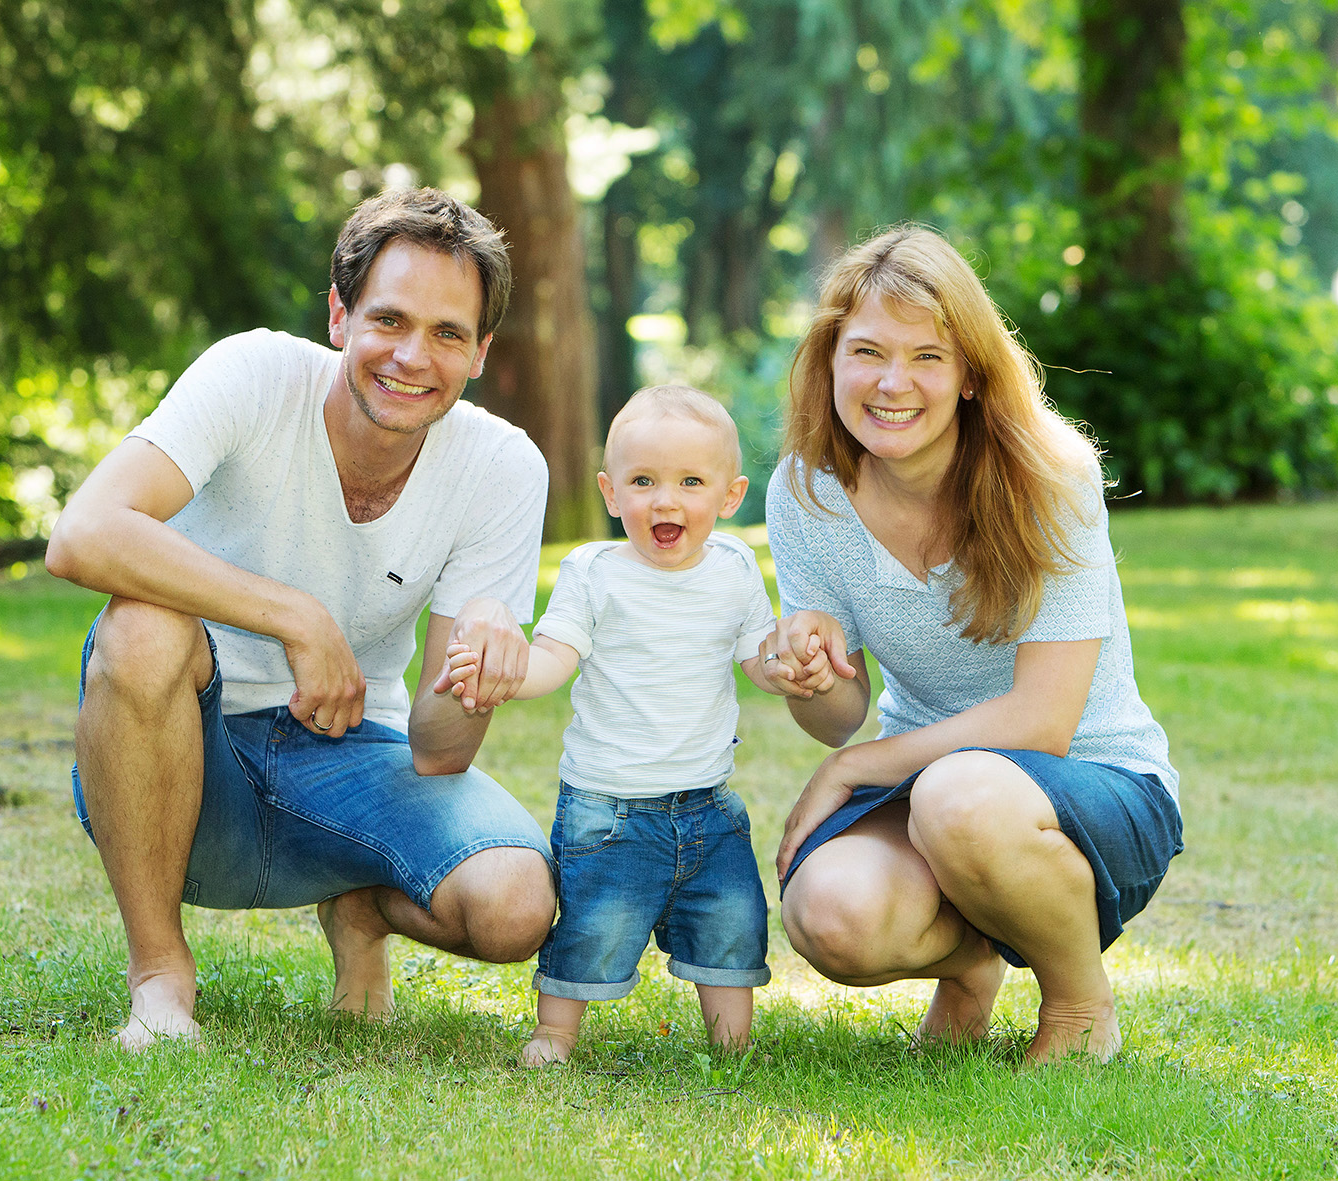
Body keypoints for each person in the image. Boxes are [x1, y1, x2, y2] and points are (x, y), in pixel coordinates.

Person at [44, 187, 557, 1049]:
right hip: (182, 762)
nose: (411, 357)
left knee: (515, 907)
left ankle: (359, 907)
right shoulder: (255, 374)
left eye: (447, 333)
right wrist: (296, 617)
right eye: (388, 320)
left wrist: (480, 671)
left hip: (354, 755)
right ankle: (161, 980)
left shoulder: (503, 467)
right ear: (338, 315)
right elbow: (83, 532)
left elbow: (439, 750)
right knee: (141, 627)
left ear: (480, 353)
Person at [761, 225, 1183, 1065]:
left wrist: (855, 768)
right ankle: (972, 962)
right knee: (831, 915)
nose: (892, 383)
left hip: (1095, 786)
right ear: (830, 359)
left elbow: (1043, 723)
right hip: (933, 789)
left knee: (957, 797)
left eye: (927, 356)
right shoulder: (806, 491)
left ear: (968, 376)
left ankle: (1076, 1003)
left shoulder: (1048, 475)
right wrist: (808, 676)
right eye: (868, 351)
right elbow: (838, 717)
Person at [445, 386, 803, 1065]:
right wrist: (509, 673)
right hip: (608, 810)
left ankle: (733, 1044)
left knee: (729, 921)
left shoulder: (732, 570)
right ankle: (556, 1033)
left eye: (690, 482)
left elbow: (756, 656)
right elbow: (555, 656)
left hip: (708, 805)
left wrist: (783, 666)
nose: (665, 501)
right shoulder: (594, 573)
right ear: (611, 493)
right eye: (643, 482)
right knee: (592, 926)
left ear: (730, 496)